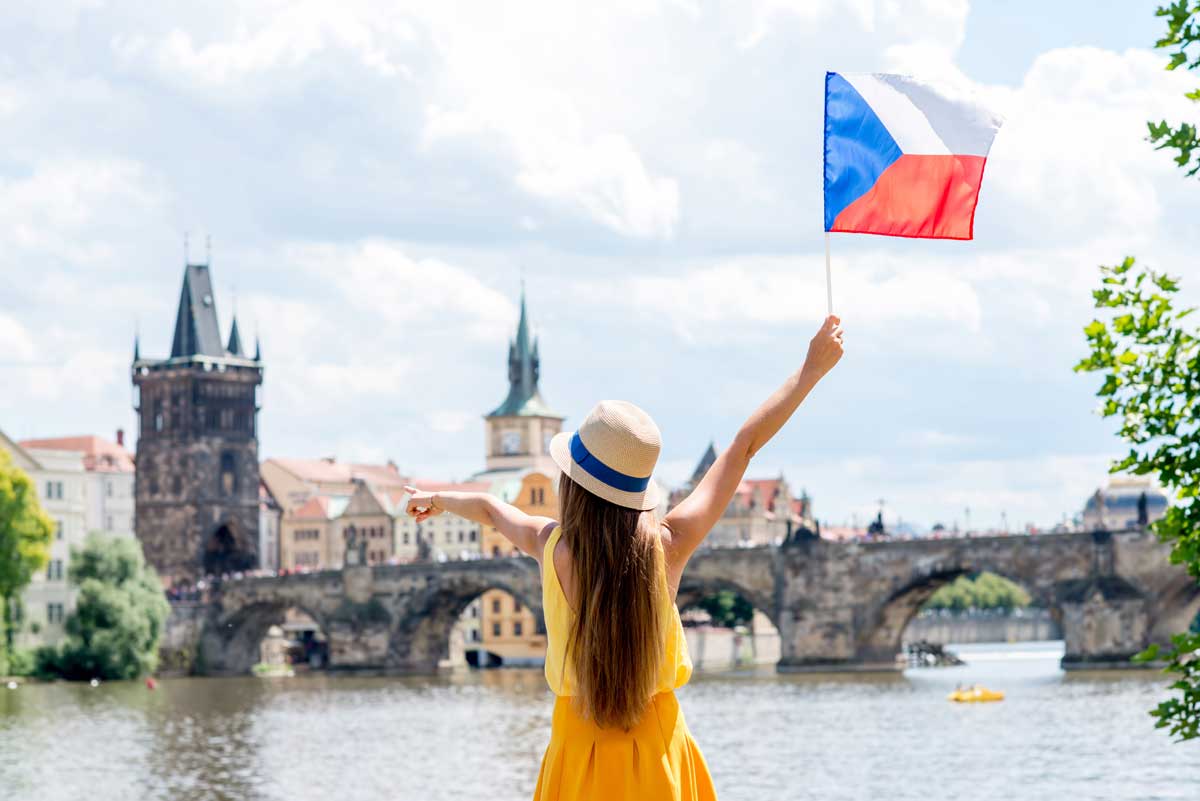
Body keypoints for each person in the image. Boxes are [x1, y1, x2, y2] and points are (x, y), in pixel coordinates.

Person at [405, 315, 845, 800]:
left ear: (570, 483)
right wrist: (810, 371)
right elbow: (742, 448)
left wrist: (438, 498)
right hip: (658, 756)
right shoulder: (667, 545)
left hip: (577, 758)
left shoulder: (550, 545)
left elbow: (491, 509)